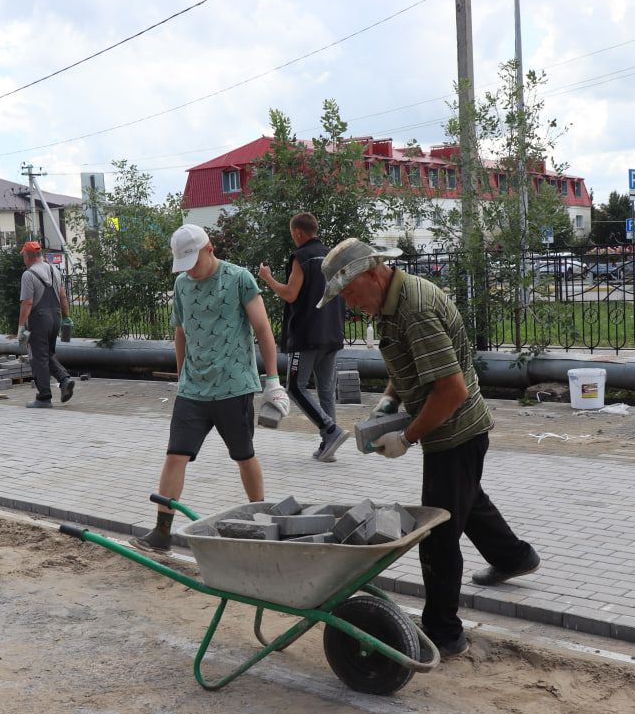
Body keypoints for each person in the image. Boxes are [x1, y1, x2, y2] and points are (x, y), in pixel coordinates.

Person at [317, 238, 541, 658]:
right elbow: (410, 367)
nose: (349, 303)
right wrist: (390, 401)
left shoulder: (414, 311)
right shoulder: (390, 303)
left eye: (349, 291)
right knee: (466, 501)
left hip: (455, 432)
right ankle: (515, 557)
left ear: (371, 272)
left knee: (437, 536)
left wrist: (406, 437)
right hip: (453, 431)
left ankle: (444, 633)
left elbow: (451, 389)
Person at [132, 223, 290, 554]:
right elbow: (180, 332)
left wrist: (272, 381)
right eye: (184, 265)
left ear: (210, 249)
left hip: (234, 387)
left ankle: (260, 520)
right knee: (175, 455)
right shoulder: (182, 284)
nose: (191, 271)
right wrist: (181, 378)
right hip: (193, 390)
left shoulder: (238, 279)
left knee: (244, 456)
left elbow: (262, 328)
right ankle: (162, 531)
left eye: (195, 262)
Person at [257, 212, 349, 463]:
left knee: (295, 388)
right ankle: (329, 446)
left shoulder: (302, 257)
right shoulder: (333, 256)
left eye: (291, 234)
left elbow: (290, 294)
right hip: (332, 333)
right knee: (326, 392)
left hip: (307, 334)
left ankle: (331, 431)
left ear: (298, 232)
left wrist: (268, 278)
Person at [14, 241, 74, 408]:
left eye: (23, 256)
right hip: (55, 317)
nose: (23, 260)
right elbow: (62, 297)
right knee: (47, 353)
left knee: (38, 358)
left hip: (39, 320)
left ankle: (44, 397)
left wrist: (21, 327)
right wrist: (66, 317)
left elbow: (27, 303)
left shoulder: (28, 274)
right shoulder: (54, 270)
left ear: (27, 256)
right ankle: (64, 380)